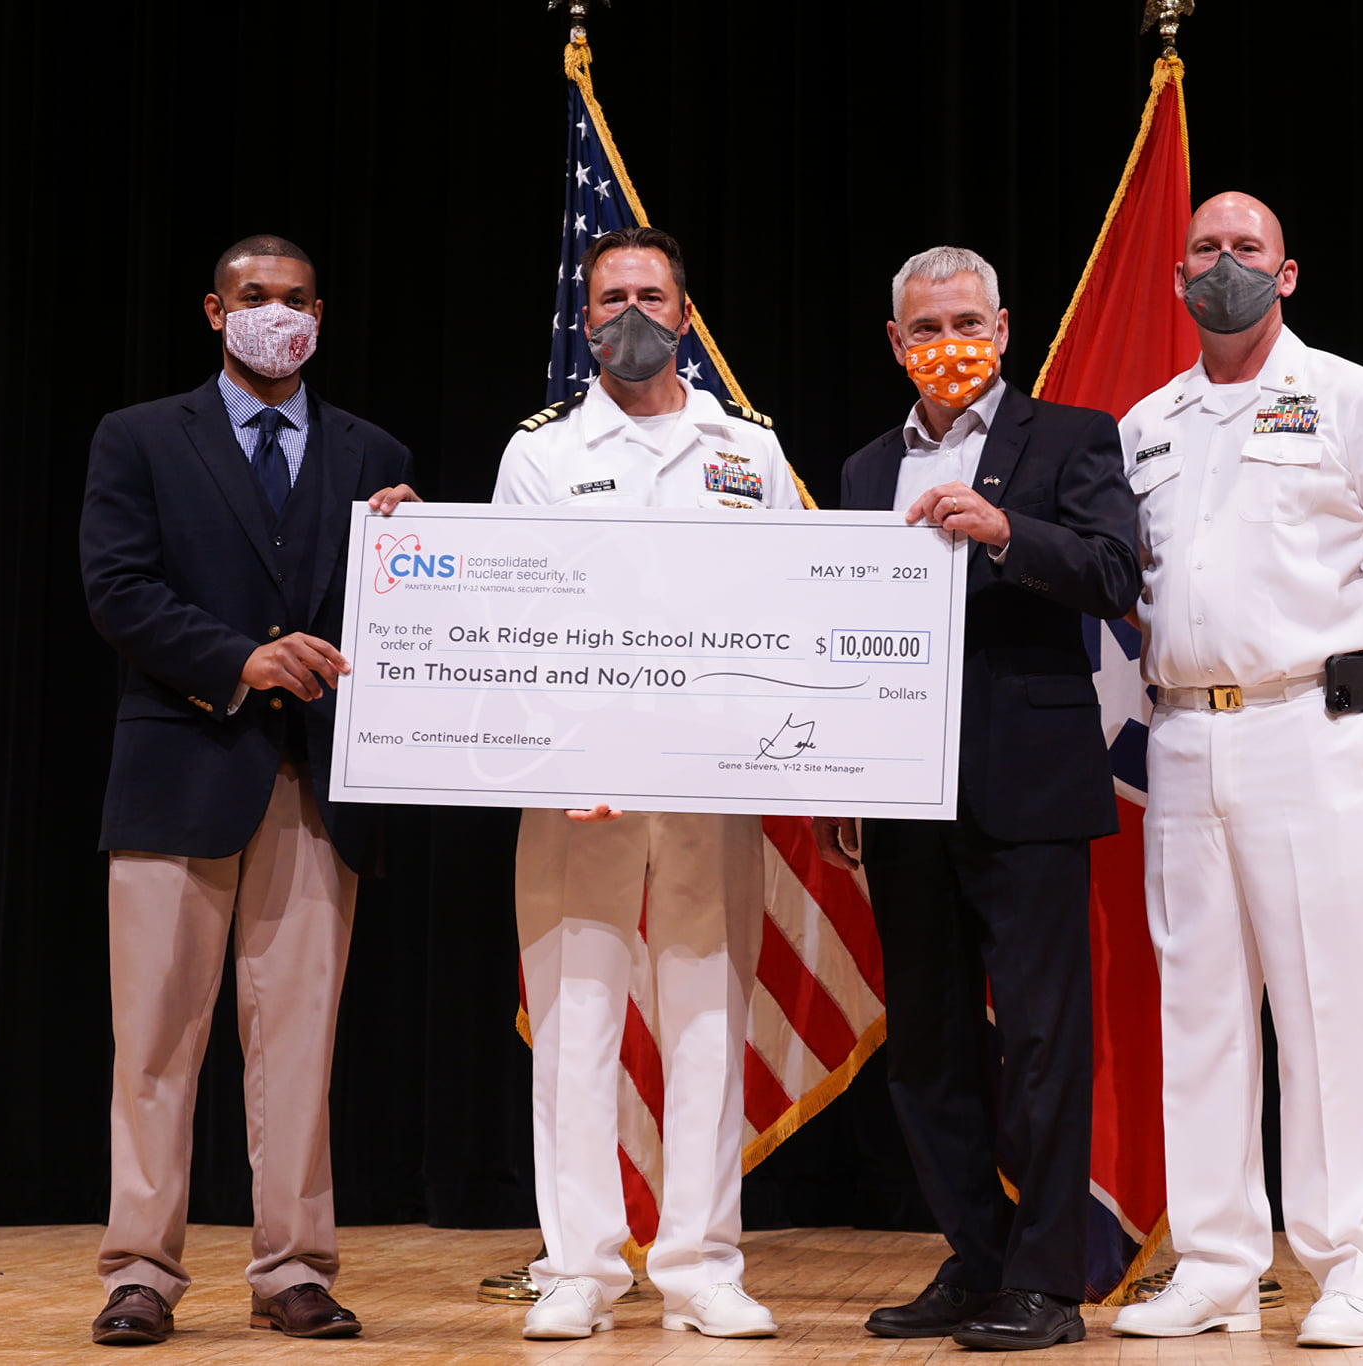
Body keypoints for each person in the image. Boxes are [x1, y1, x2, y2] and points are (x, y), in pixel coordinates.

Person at [1109, 192, 1363, 1349]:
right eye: (1204, 250)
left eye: (1245, 249)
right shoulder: (1145, 422)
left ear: (1287, 273)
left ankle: (1355, 1263)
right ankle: (1215, 1259)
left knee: (1329, 1002)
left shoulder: (1352, 396)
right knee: (1199, 1007)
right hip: (1177, 734)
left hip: (1301, 728)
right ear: (1176, 278)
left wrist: (1354, 679)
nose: (1225, 265)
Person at [79, 234, 418, 1346]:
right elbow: (117, 589)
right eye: (253, 297)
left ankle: (291, 1267)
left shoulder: (375, 454)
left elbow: (394, 617)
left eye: (294, 299)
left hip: (313, 786)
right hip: (179, 768)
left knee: (297, 1046)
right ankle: (139, 1267)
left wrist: (418, 560)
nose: (276, 313)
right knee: (156, 1042)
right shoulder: (138, 437)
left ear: (321, 313)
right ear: (214, 312)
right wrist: (240, 658)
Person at [812, 246, 1140, 1351]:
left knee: (1041, 1040)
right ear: (896, 345)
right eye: (923, 326)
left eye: (965, 320)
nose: (945, 340)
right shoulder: (864, 468)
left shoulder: (1070, 437)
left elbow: (1112, 572)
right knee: (928, 1048)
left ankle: (1046, 1280)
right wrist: (840, 772)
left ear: (1002, 330)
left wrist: (1006, 533)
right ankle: (975, 1255)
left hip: (1029, 787)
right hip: (904, 797)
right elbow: (849, 634)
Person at [492, 225, 799, 1341]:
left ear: (682, 314)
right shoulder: (538, 452)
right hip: (579, 786)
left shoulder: (747, 449)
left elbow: (788, 608)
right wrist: (557, 748)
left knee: (708, 1016)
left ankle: (701, 1262)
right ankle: (576, 1265)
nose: (630, 312)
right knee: (575, 1014)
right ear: (586, 321)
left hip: (709, 784)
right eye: (610, 296)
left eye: (650, 296)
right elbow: (511, 618)